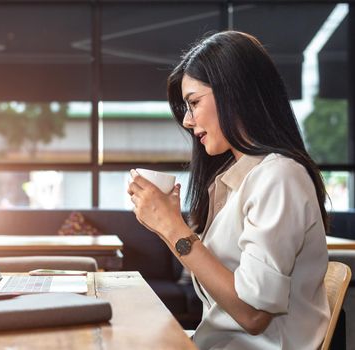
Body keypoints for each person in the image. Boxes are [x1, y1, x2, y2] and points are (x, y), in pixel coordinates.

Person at [127, 31, 330, 349]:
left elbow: (252, 314)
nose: (188, 122)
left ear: (234, 92)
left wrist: (172, 226)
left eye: (193, 103)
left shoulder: (280, 176)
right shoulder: (230, 180)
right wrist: (166, 228)